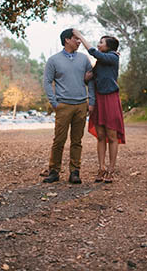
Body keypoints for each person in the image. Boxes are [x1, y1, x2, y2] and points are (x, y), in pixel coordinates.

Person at [42, 28, 95, 184]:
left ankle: (75, 172)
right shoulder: (53, 60)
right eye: (76, 39)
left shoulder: (84, 59)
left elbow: (90, 81)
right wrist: (54, 102)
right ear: (67, 40)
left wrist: (91, 101)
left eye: (79, 39)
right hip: (63, 105)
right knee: (59, 140)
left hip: (81, 105)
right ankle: (53, 171)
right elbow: (47, 81)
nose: (79, 41)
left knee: (77, 141)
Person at [73, 30, 125, 183]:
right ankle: (101, 167)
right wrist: (86, 79)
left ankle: (111, 169)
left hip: (110, 99)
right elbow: (91, 81)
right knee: (101, 136)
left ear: (109, 47)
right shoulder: (100, 63)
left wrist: (81, 37)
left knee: (112, 135)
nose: (98, 44)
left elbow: (94, 53)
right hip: (99, 101)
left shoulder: (113, 58)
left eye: (101, 42)